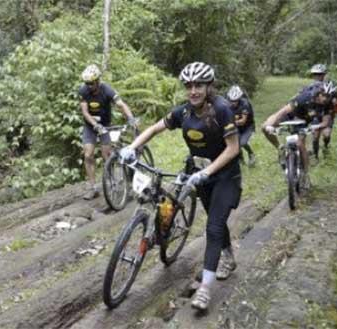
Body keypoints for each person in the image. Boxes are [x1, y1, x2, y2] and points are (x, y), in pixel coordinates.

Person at [119, 62, 241, 311]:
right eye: (189, 86)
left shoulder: (222, 110)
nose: (193, 90)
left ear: (209, 86)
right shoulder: (184, 113)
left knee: (214, 226)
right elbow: (155, 128)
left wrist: (207, 171)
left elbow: (233, 148)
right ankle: (227, 255)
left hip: (225, 176)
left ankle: (205, 289)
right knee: (214, 220)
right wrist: (133, 147)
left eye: (199, 85)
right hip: (200, 174)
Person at [79, 64, 136, 200]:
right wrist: (94, 124)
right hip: (90, 126)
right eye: (87, 83)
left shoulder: (107, 90)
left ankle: (112, 182)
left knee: (107, 155)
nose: (89, 86)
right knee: (88, 155)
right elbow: (85, 112)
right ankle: (93, 188)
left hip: (105, 124)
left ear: (98, 81)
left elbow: (121, 104)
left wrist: (131, 119)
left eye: (91, 83)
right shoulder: (83, 91)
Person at [262, 81, 331, 185]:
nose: (325, 98)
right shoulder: (304, 98)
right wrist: (269, 125)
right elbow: (282, 112)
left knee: (300, 144)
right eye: (324, 95)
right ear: (318, 93)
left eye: (328, 96)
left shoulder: (326, 105)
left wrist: (316, 126)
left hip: (304, 122)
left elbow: (326, 122)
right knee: (264, 127)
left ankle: (306, 175)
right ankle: (279, 147)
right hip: (289, 116)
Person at [226, 85, 256, 167]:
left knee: (242, 142)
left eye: (235, 101)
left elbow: (243, 121)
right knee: (235, 144)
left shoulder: (245, 104)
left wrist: (230, 123)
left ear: (239, 99)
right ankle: (241, 159)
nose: (233, 103)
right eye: (231, 100)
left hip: (248, 127)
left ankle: (251, 153)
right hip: (237, 127)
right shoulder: (227, 105)